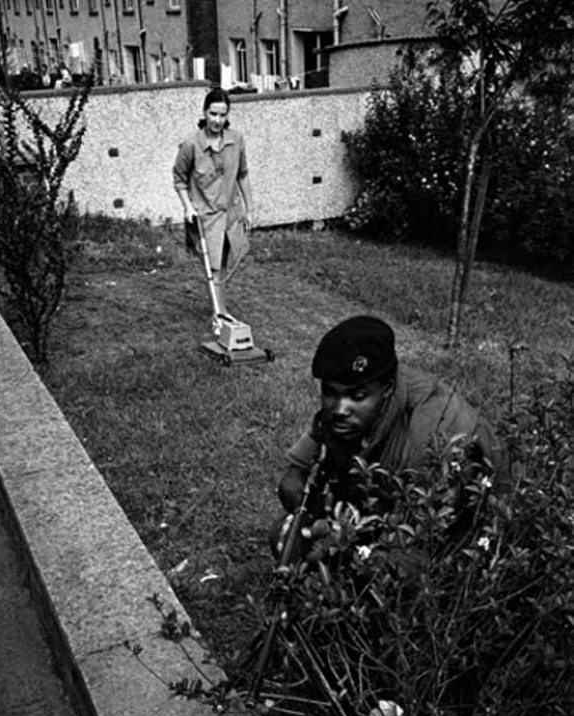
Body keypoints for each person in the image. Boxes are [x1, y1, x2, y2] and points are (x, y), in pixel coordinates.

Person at [275, 315, 507, 557]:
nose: (341, 409)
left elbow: (424, 536)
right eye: (331, 393)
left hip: (462, 536)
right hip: (384, 515)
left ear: (387, 389)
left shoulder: (434, 436)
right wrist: (306, 514)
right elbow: (296, 472)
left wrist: (345, 539)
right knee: (283, 536)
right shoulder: (344, 412)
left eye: (357, 396)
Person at [173, 87, 253, 335]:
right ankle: (220, 316)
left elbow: (242, 175)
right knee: (214, 267)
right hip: (205, 216)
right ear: (205, 112)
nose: (217, 120)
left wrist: (250, 209)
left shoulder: (236, 139)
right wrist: (187, 207)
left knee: (226, 264)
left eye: (222, 115)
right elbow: (179, 179)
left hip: (230, 213)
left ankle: (221, 308)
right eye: (213, 114)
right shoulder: (190, 145)